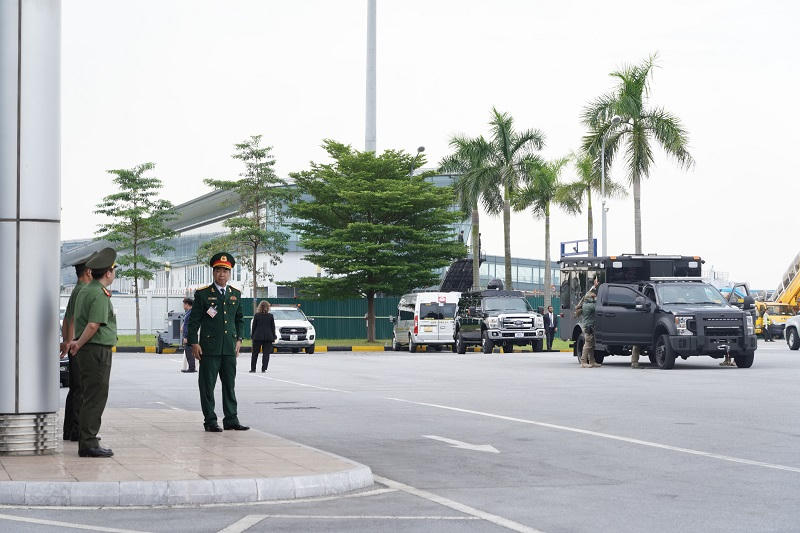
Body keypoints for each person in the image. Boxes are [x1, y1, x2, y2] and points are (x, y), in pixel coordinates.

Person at [187, 252, 249, 433]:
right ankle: (210, 420)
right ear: (213, 273)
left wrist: (239, 339)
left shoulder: (235, 294)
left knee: (230, 385)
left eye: (225, 271)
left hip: (229, 348)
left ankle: (231, 419)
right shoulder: (203, 294)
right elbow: (194, 321)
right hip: (209, 348)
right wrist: (194, 343)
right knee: (207, 386)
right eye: (218, 271)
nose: (222, 274)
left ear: (230, 274)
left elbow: (239, 319)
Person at [68, 247, 118, 458]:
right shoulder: (98, 293)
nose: (114, 274)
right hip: (96, 350)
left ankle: (88, 438)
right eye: (114, 270)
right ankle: (88, 442)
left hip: (90, 350)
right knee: (96, 396)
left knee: (89, 395)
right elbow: (93, 325)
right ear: (108, 272)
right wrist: (78, 344)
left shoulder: (86, 289)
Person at [60, 251, 96, 442]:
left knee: (76, 389)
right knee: (80, 390)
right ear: (89, 271)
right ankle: (75, 431)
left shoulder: (77, 289)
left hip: (74, 344)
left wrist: (67, 342)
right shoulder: (83, 290)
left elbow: (67, 319)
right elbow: (71, 319)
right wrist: (72, 343)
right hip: (79, 347)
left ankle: (70, 430)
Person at [575, 278, 601, 368]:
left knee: (591, 345)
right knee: (588, 344)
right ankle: (583, 361)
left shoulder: (585, 303)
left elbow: (586, 295)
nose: (595, 296)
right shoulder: (590, 306)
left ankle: (592, 361)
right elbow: (597, 306)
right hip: (588, 327)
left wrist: (594, 287)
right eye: (594, 296)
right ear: (591, 298)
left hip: (589, 326)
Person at [250, 300, 277, 372]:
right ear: (268, 307)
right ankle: (264, 369)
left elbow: (254, 327)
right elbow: (272, 327)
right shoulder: (270, 316)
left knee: (255, 354)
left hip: (257, 337)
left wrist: (252, 336)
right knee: (266, 354)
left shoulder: (256, 315)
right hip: (268, 337)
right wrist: (274, 336)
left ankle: (253, 369)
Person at [181, 297, 195, 373]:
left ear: (187, 304)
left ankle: (192, 368)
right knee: (188, 351)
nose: (183, 305)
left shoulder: (191, 313)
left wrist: (186, 337)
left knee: (189, 352)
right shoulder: (189, 312)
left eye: (184, 304)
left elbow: (189, 326)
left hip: (189, 335)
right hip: (188, 334)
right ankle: (191, 367)